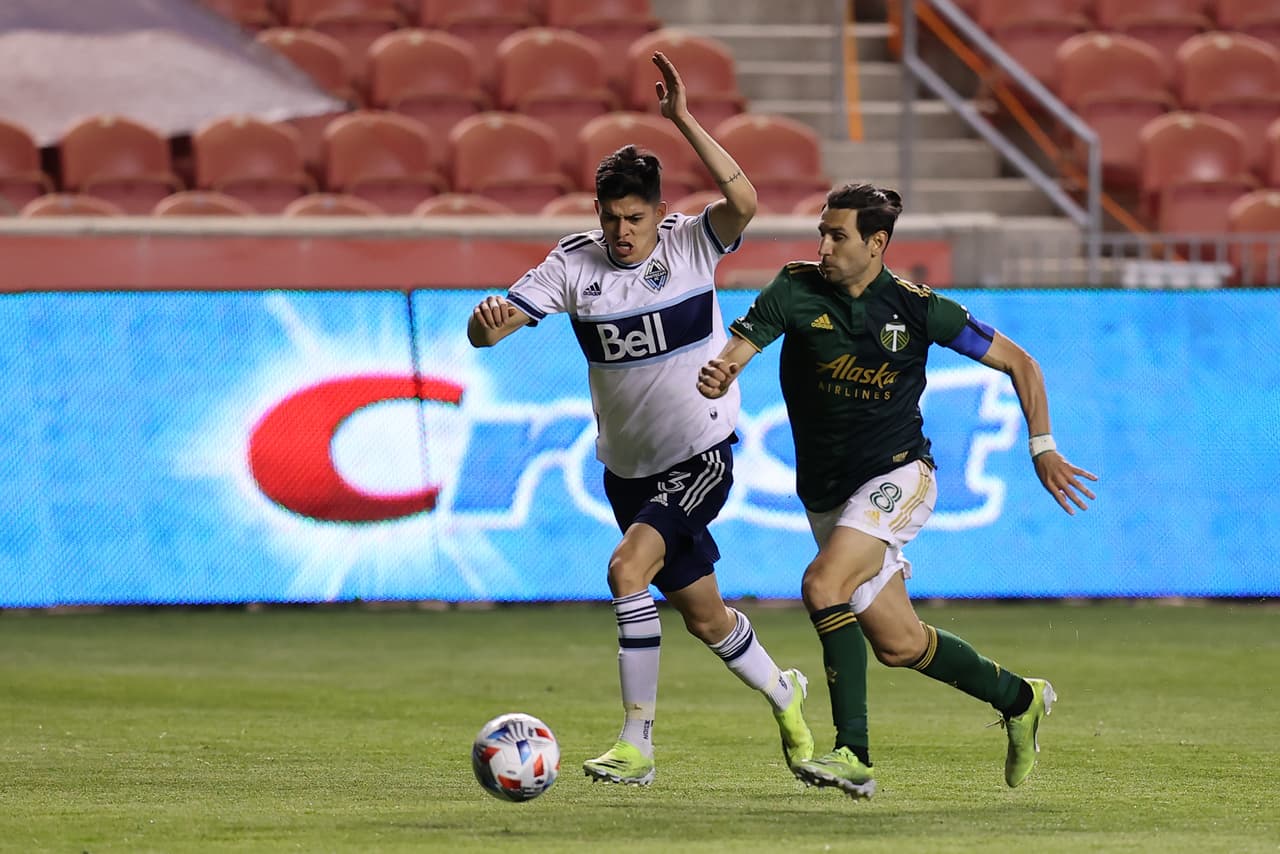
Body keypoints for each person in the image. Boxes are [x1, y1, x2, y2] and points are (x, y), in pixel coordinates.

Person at [467, 51, 814, 787]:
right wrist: (486, 324)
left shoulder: (692, 242)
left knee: (626, 570)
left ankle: (637, 745)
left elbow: (745, 201)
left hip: (702, 454)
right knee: (705, 615)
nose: (622, 232)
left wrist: (683, 119)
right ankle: (785, 692)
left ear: (660, 212)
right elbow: (490, 332)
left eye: (634, 218)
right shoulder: (573, 265)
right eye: (611, 218)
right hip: (627, 471)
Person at [697, 183, 1099, 799]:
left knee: (823, 584)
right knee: (899, 643)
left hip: (899, 474)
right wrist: (724, 370)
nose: (823, 247)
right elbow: (741, 347)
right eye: (822, 234)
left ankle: (853, 753)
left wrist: (1042, 446)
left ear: (876, 243)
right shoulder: (795, 288)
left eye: (838, 236)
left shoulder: (918, 309)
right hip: (827, 495)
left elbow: (1022, 363)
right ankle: (1021, 700)